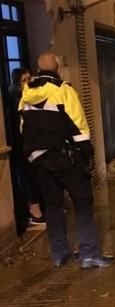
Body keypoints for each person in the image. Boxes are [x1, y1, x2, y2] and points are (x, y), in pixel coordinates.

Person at [19, 53, 114, 269]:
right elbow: (79, 125)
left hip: (40, 160)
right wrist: (85, 154)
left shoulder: (26, 93)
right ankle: (89, 254)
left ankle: (59, 254)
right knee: (82, 203)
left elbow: (23, 129)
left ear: (38, 68)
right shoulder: (64, 90)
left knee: (52, 206)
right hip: (65, 158)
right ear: (58, 68)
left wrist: (32, 155)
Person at [7, 68, 45, 230]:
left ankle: (37, 213)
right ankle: (35, 213)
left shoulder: (27, 97)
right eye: (24, 80)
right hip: (20, 146)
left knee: (30, 177)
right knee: (26, 178)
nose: (28, 83)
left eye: (29, 79)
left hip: (28, 145)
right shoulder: (16, 98)